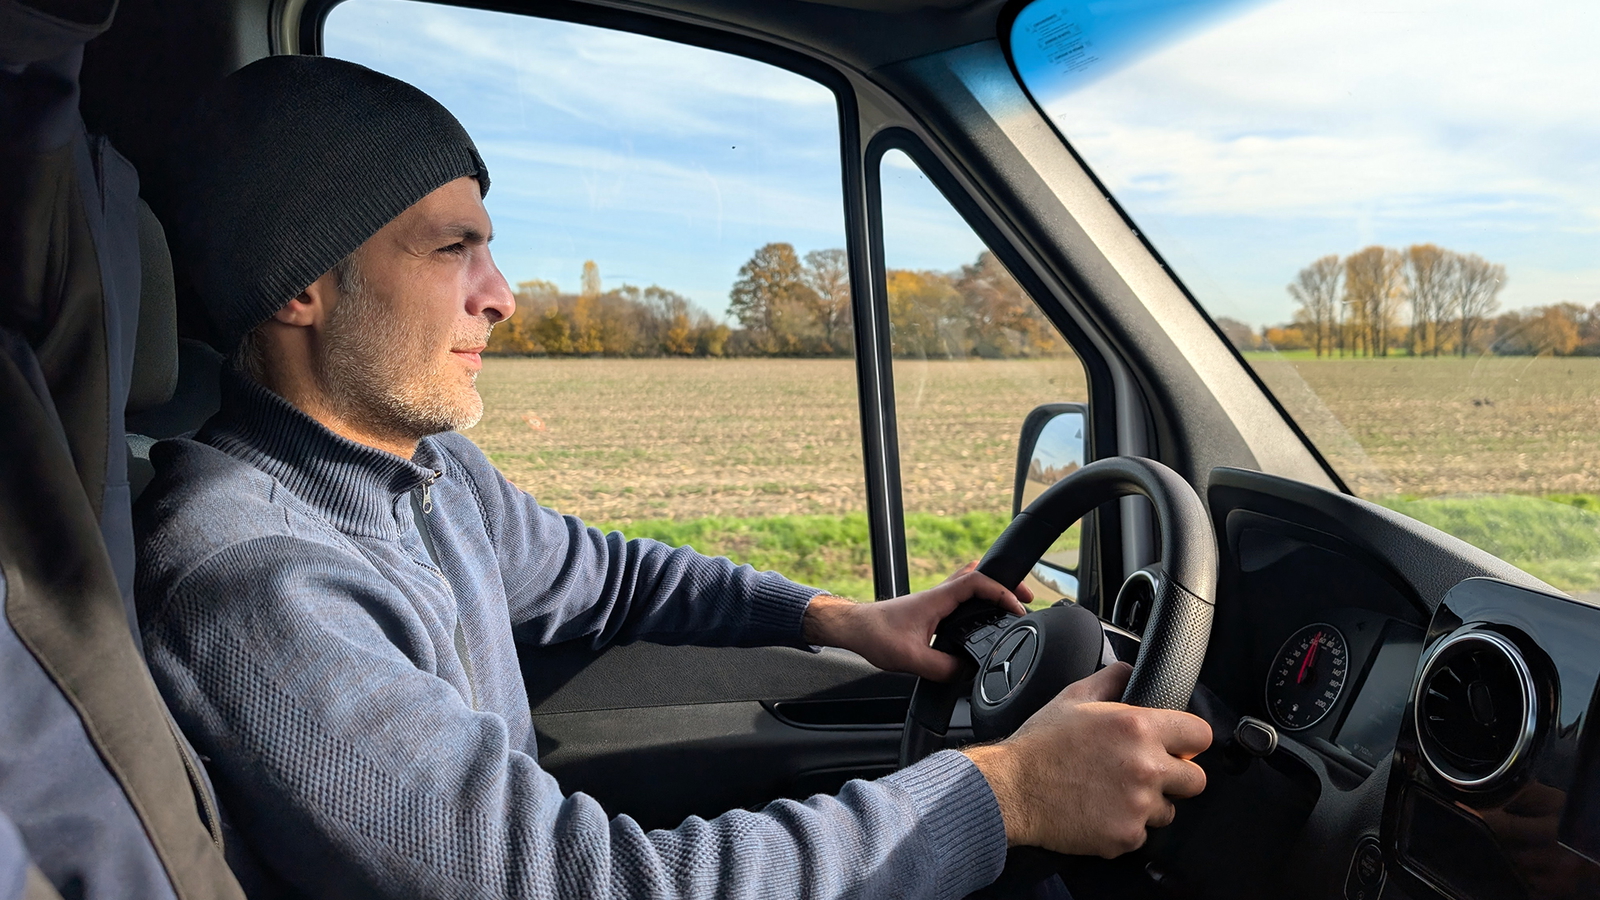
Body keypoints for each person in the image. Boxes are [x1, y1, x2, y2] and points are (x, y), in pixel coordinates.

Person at [135, 54, 1211, 899]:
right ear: (298, 285)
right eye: (450, 248)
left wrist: (839, 618)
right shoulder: (256, 582)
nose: (501, 294)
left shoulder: (427, 473)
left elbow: (611, 578)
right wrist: (1009, 791)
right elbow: (591, 885)